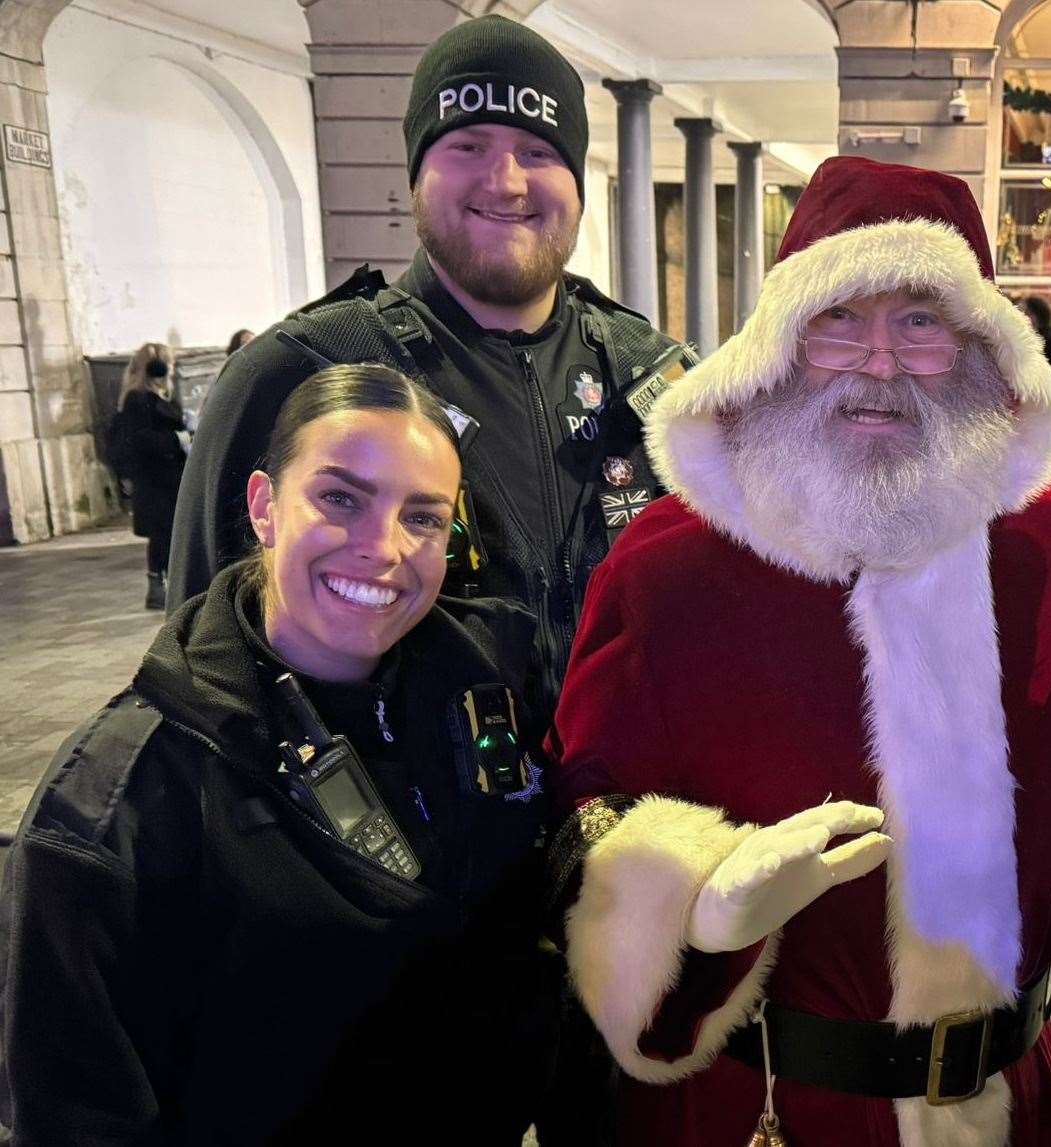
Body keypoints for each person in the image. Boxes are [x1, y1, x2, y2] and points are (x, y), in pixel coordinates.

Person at [544, 156, 1051, 1147]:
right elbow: (584, 817)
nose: (880, 363)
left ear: (980, 348)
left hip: (1005, 1103)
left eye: (921, 322)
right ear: (778, 342)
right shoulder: (670, 566)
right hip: (761, 1110)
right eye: (838, 319)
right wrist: (700, 894)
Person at [0, 365, 564, 1144]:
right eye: (340, 498)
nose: (384, 548)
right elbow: (73, 1113)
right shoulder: (120, 803)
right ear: (264, 506)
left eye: (424, 517)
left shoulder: (496, 687)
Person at [168, 15, 686, 726]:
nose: (505, 182)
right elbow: (203, 660)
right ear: (416, 173)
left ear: (576, 179)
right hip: (402, 821)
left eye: (538, 151)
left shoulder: (651, 377)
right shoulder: (303, 371)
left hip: (636, 810)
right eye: (468, 146)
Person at [110, 342, 187, 609]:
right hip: (155, 481)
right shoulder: (138, 399)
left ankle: (170, 584)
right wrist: (177, 439)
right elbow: (140, 440)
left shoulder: (159, 398)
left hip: (168, 478)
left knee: (170, 532)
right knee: (162, 533)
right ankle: (157, 587)